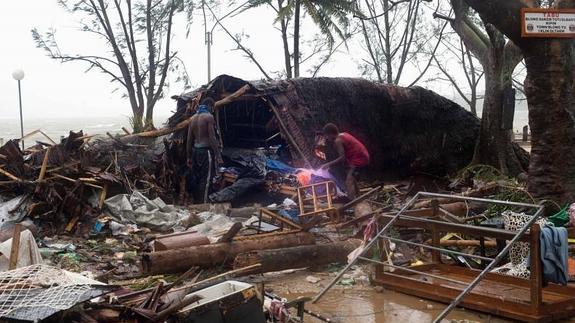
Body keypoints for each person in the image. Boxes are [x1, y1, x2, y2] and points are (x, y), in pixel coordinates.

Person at [186, 98, 223, 203]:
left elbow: (189, 140)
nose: (213, 110)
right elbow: (212, 138)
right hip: (206, 152)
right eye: (213, 107)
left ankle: (196, 202)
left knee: (196, 178)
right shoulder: (209, 117)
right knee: (206, 179)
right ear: (210, 106)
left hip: (195, 152)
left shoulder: (192, 119)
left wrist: (188, 156)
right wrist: (218, 156)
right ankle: (204, 204)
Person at [320, 123, 370, 199]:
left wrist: (328, 164)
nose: (327, 138)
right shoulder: (343, 134)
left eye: (327, 136)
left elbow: (342, 158)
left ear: (330, 134)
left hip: (359, 158)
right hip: (362, 155)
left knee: (348, 180)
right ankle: (358, 196)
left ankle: (351, 201)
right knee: (351, 176)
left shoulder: (338, 141)